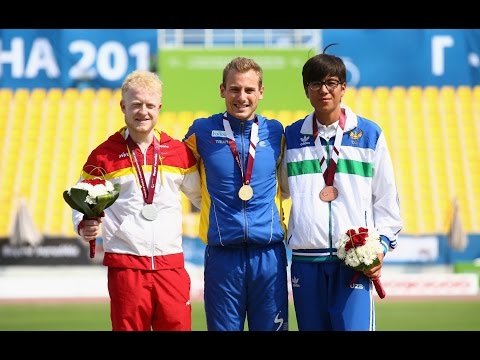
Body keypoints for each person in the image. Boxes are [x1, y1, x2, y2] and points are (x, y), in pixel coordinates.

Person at [279, 46, 403, 331]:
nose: (324, 90)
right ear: (306, 89)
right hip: (306, 263)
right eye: (315, 83)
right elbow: (277, 191)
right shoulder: (292, 137)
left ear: (343, 87)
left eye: (331, 83)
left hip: (352, 261)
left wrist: (380, 247)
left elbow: (386, 201)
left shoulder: (369, 135)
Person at [71, 70, 201, 331]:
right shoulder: (103, 155)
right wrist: (84, 224)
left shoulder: (178, 152)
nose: (143, 112)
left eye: (150, 105)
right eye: (136, 105)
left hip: (171, 265)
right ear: (123, 106)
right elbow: (82, 202)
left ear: (159, 107)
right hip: (126, 266)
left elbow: (201, 197)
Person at [183, 57, 289, 331]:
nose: (241, 97)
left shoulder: (276, 132)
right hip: (222, 256)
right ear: (222, 90)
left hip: (269, 256)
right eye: (234, 89)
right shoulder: (201, 131)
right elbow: (174, 172)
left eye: (249, 90)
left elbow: (290, 185)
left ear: (261, 93)